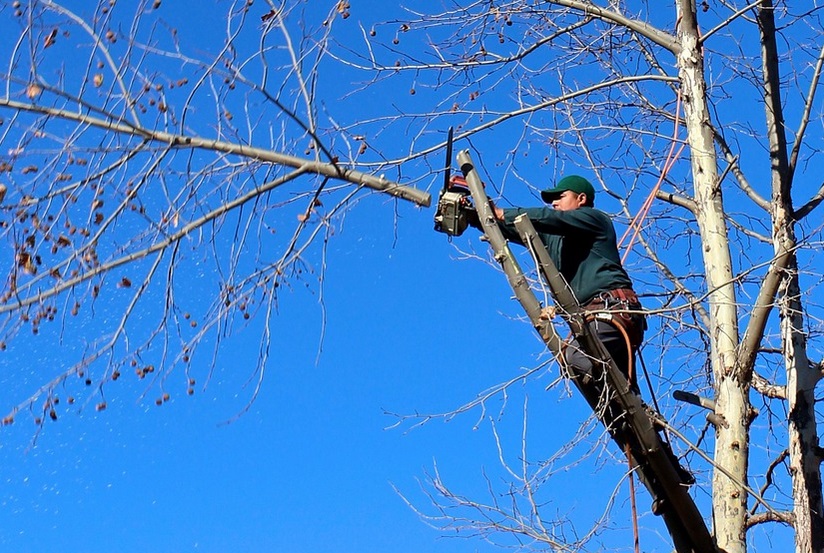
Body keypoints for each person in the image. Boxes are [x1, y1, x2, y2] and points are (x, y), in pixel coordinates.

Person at [483, 175, 646, 392]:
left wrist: (504, 213)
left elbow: (547, 218)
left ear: (581, 198)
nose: (554, 203)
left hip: (612, 309)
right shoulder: (555, 238)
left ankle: (627, 406)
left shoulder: (594, 219)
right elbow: (517, 229)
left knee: (576, 358)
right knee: (616, 399)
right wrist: (478, 215)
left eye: (560, 197)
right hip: (594, 318)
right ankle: (631, 418)